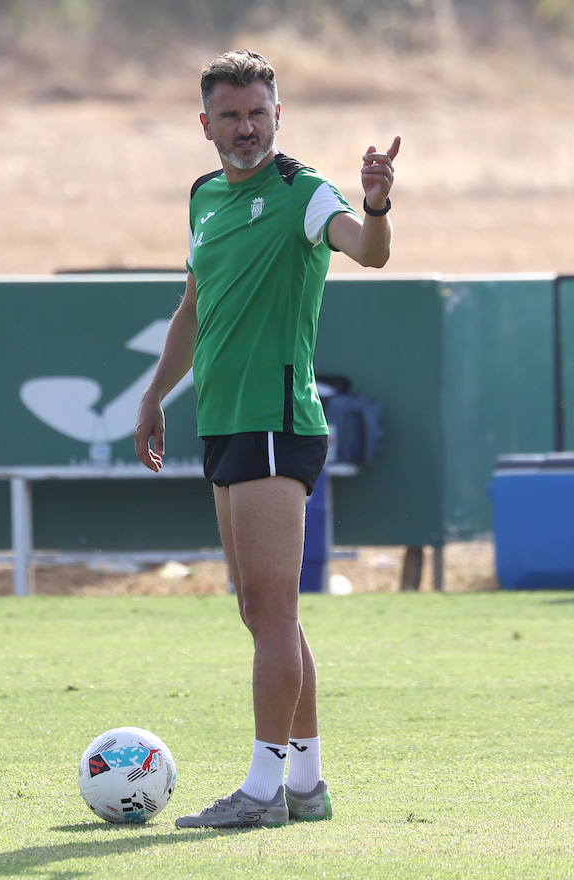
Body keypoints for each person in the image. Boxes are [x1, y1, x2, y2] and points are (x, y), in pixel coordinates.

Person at [134, 50, 399, 828]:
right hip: (223, 421)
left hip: (277, 422)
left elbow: (369, 251)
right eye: (230, 115)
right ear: (206, 123)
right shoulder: (205, 196)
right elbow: (192, 309)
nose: (245, 127)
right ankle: (307, 784)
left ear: (278, 116)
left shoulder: (303, 191)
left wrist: (377, 206)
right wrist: (155, 395)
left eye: (258, 113)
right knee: (261, 610)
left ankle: (261, 791)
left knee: (274, 611)